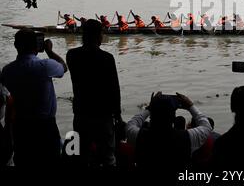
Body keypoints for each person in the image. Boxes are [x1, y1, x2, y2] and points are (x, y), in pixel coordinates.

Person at [0, 29, 67, 167]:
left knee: (25, 161)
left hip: (21, 128)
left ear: (15, 46)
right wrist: (49, 51)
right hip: (45, 127)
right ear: (37, 46)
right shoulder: (45, 66)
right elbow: (63, 67)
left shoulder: (7, 71)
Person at [66, 19, 123, 167]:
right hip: (103, 114)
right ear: (99, 36)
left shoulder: (72, 55)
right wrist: (117, 115)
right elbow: (114, 89)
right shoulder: (107, 58)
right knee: (108, 156)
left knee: (82, 154)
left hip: (81, 112)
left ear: (83, 35)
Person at [126, 92, 212, 175]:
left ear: (151, 116)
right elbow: (206, 127)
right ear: (173, 118)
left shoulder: (139, 136)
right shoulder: (187, 137)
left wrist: (149, 108)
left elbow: (132, 123)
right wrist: (190, 106)